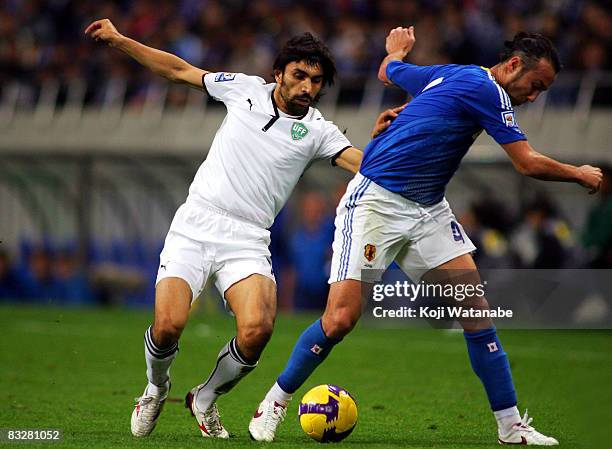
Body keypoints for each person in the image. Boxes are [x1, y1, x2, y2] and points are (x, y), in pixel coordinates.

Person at [249, 28, 602, 445]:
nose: (535, 95)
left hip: (427, 209)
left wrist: (396, 52)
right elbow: (525, 163)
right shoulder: (488, 90)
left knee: (476, 312)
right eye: (535, 85)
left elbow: (391, 72)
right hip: (376, 202)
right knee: (341, 319)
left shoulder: (454, 74)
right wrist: (578, 173)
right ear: (512, 67)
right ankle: (273, 402)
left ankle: (510, 426)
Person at [84, 18, 400, 439]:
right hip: (196, 223)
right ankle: (156, 388)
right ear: (278, 74)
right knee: (167, 326)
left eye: (316, 81)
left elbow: (365, 165)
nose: (307, 87)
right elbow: (179, 71)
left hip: (248, 237)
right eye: (299, 76)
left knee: (258, 330)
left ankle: (206, 397)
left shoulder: (319, 131)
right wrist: (121, 40)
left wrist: (381, 141)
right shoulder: (244, 89)